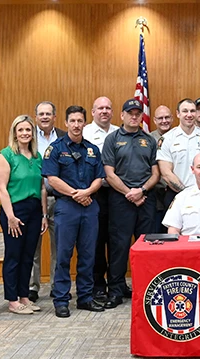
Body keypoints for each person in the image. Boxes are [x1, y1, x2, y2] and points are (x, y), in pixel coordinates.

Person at [42, 105, 105, 318]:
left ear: (84, 123)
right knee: (63, 255)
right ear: (66, 123)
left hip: (89, 206)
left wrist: (87, 192)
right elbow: (51, 178)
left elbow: (100, 177)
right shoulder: (56, 148)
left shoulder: (92, 149)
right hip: (67, 207)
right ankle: (61, 299)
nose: (77, 125)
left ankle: (85, 298)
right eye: (73, 121)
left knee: (88, 255)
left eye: (80, 121)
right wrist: (75, 194)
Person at [101, 99, 159, 308]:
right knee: (119, 246)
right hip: (120, 200)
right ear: (122, 115)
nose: (134, 116)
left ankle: (146, 289)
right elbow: (109, 173)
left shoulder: (149, 140)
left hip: (146, 199)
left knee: (147, 246)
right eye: (130, 113)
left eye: (137, 113)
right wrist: (129, 193)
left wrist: (141, 191)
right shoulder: (112, 139)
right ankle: (116, 290)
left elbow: (155, 173)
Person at [0, 115, 47, 314]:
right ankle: (12, 299)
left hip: (34, 210)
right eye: (21, 130)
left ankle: (24, 296)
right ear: (14, 133)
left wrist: (43, 214)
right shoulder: (6, 155)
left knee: (28, 256)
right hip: (14, 210)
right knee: (13, 255)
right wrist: (10, 217)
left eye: (28, 130)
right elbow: (1, 188)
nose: (25, 133)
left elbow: (42, 188)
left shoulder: (36, 156)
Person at [82, 96, 119, 304]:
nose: (104, 111)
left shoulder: (118, 132)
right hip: (94, 193)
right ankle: (97, 285)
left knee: (115, 240)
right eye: (100, 108)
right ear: (93, 111)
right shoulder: (85, 132)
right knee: (96, 241)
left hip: (117, 193)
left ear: (112, 112)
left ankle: (116, 284)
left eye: (108, 108)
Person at [29, 101, 66, 302]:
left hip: (58, 198)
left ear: (55, 116)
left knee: (59, 246)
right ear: (36, 117)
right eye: (41, 114)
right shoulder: (27, 136)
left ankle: (56, 284)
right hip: (34, 198)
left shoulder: (63, 137)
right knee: (33, 245)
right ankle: (32, 286)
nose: (44, 117)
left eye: (48, 114)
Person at [157, 98, 200, 211]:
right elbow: (166, 173)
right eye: (185, 111)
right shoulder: (167, 139)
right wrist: (186, 193)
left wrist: (198, 193)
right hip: (176, 195)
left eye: (192, 111)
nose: (189, 115)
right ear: (178, 114)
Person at [149, 105, 173, 233]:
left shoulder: (178, 136)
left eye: (167, 117)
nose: (164, 121)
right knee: (157, 233)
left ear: (173, 118)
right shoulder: (148, 140)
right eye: (160, 118)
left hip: (175, 192)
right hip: (156, 194)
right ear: (154, 120)